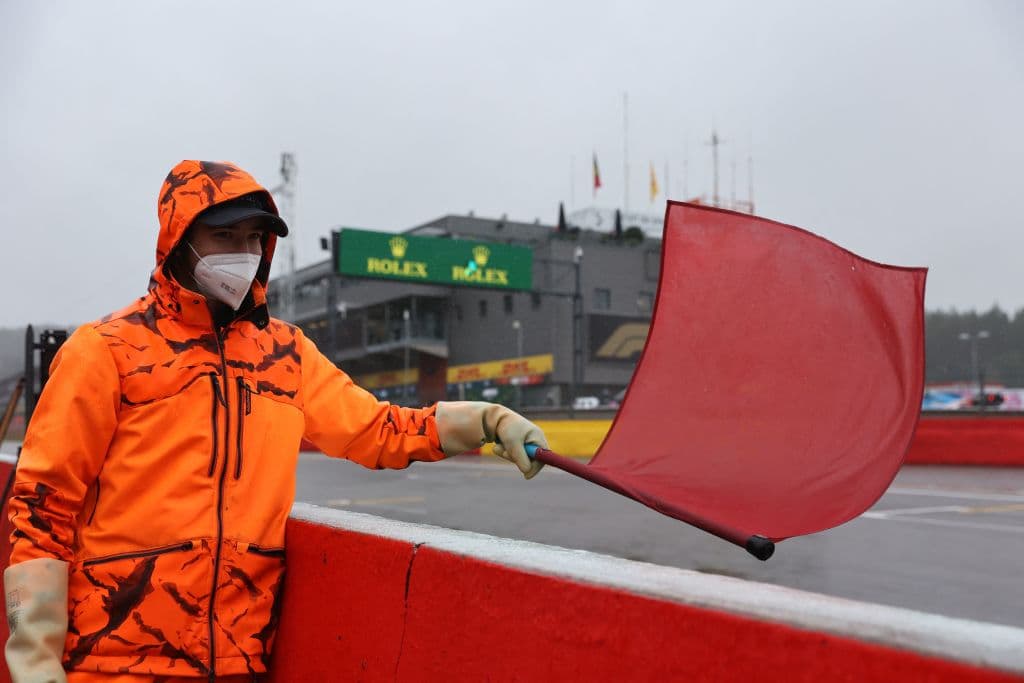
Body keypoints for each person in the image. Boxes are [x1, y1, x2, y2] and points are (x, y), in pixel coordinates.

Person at [4, 160, 547, 683]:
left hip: (239, 660)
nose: (243, 253)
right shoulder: (106, 350)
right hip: (113, 660)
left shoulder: (286, 353)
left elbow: (377, 430)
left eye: (253, 239)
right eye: (225, 237)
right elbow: (42, 503)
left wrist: (487, 420)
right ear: (180, 240)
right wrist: (36, 657)